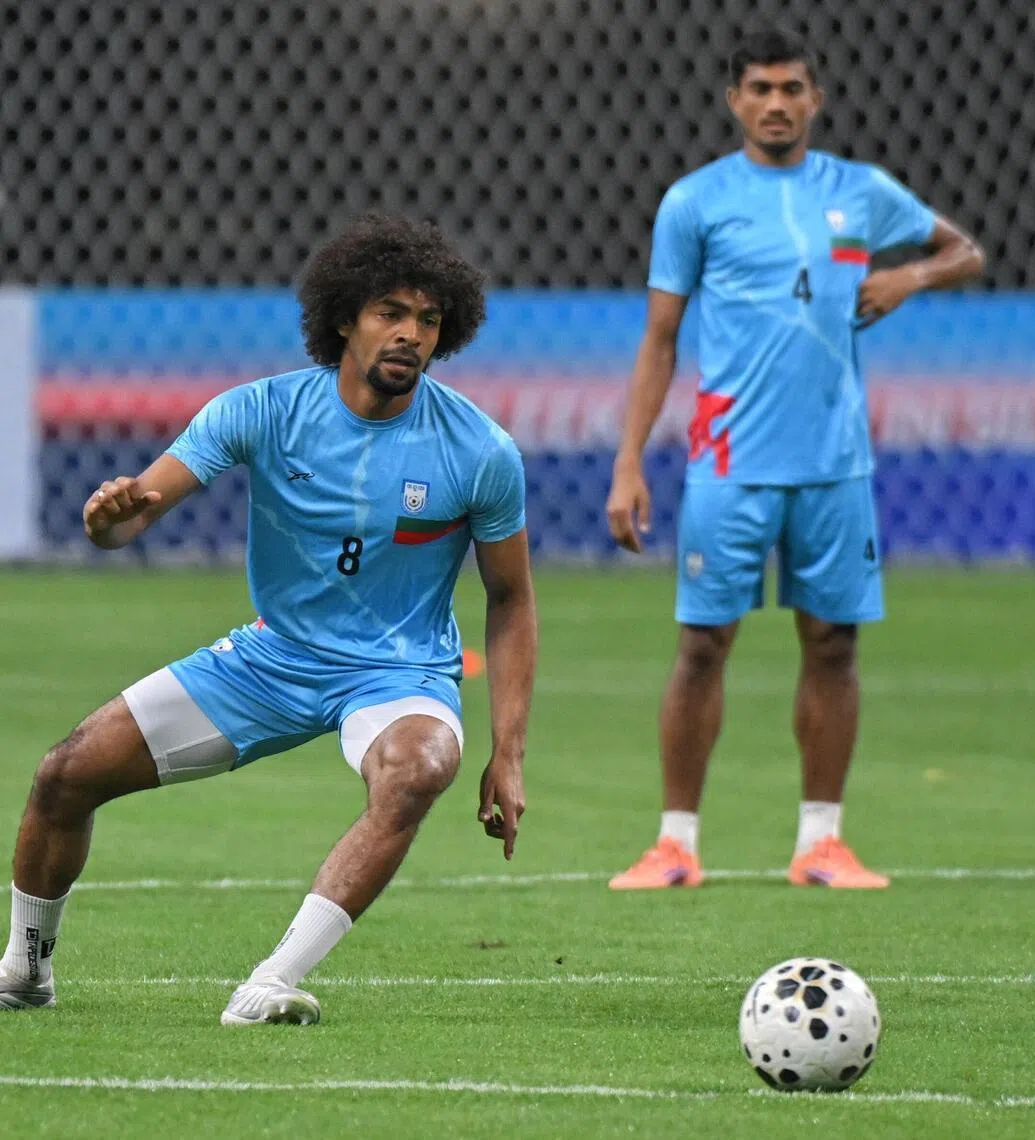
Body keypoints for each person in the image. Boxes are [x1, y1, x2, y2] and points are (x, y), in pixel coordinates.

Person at [0, 212, 537, 1022]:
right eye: (390, 311)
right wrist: (107, 518)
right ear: (343, 318)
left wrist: (509, 750)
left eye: (429, 320)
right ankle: (26, 967)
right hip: (272, 659)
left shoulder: (480, 451)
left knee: (418, 770)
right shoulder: (260, 411)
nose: (410, 335)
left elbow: (511, 597)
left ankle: (272, 982)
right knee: (63, 776)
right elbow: (136, 515)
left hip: (399, 673)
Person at [606, 25, 985, 890]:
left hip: (835, 462)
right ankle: (675, 844)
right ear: (734, 100)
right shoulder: (695, 202)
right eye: (760, 89)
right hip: (729, 462)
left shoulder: (862, 192)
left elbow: (966, 251)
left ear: (816, 98)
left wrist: (908, 278)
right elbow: (661, 338)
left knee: (834, 645)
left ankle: (822, 842)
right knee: (702, 645)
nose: (776, 103)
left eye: (791, 88)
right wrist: (629, 463)